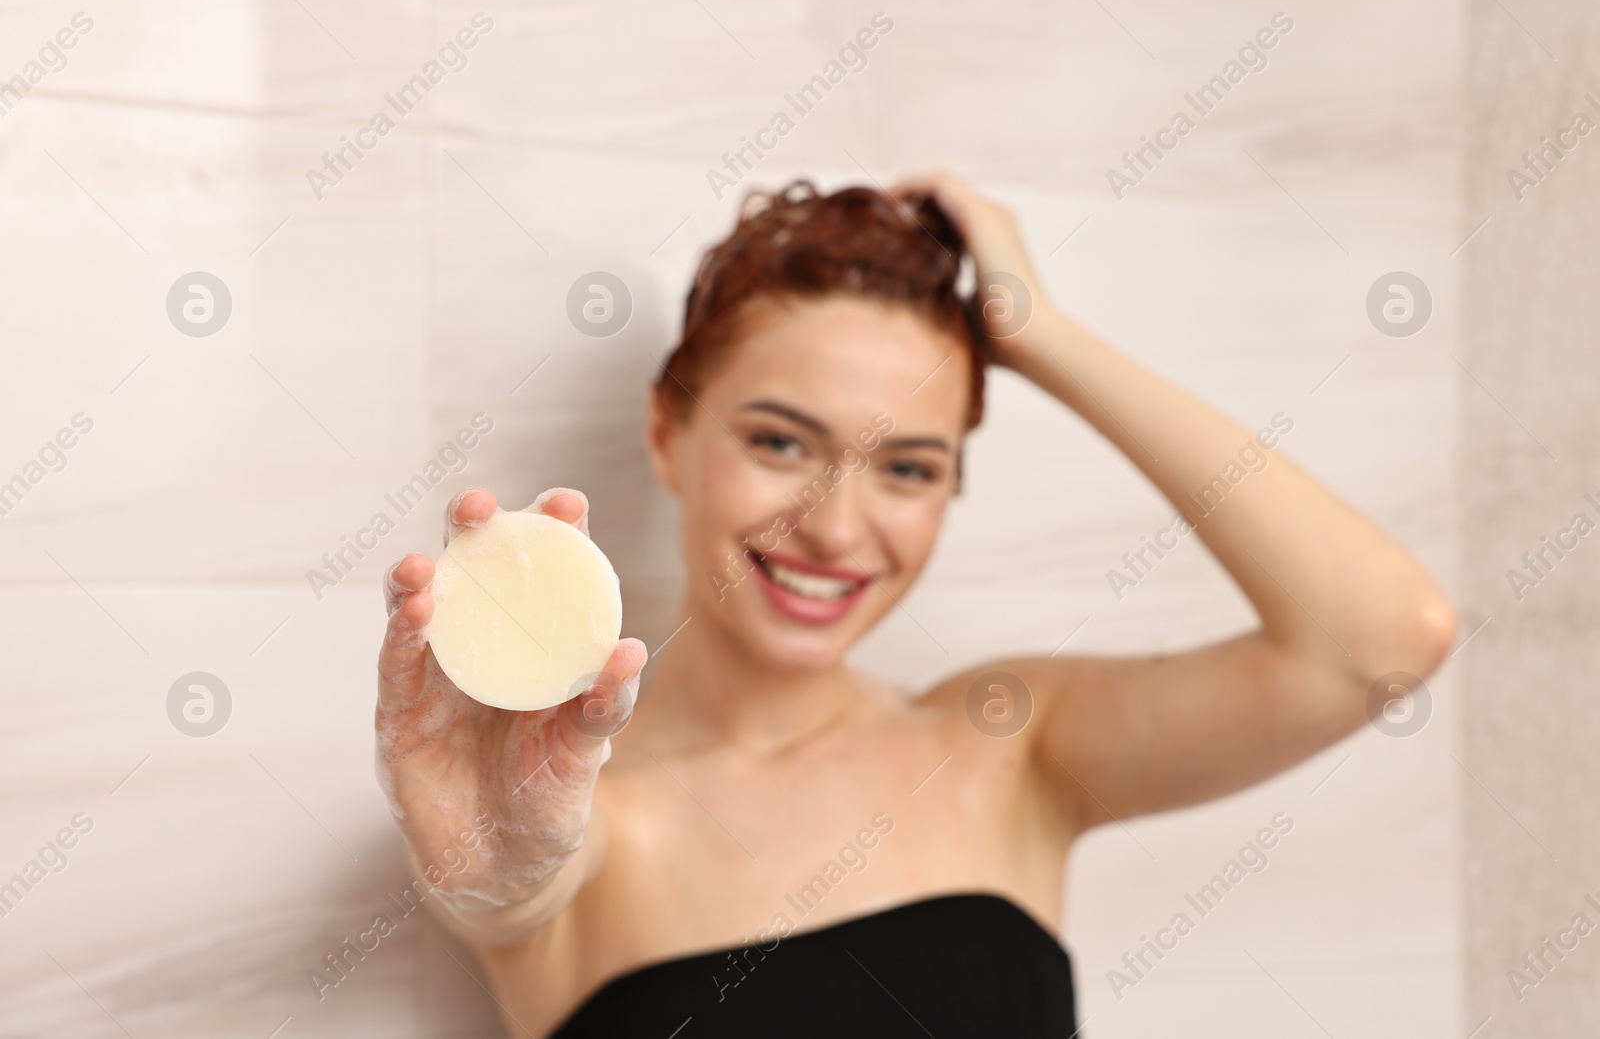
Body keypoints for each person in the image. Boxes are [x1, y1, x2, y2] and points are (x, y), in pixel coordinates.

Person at [373, 174, 1456, 1037]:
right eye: (780, 441)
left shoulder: (1008, 745)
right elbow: (508, 880)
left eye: (909, 466)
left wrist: (1040, 334)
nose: (838, 528)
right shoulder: (562, 810)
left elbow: (1382, 639)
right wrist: (494, 864)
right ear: (667, 434)